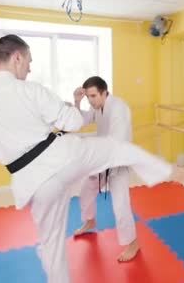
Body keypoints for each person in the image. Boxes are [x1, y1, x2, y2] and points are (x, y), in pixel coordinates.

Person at [0, 34, 184, 283]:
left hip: (30, 181)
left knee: (51, 246)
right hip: (62, 157)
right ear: (18, 57)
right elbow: (76, 121)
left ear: (105, 93)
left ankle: (160, 181)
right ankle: (163, 171)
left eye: (93, 97)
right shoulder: (30, 90)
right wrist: (71, 106)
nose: (30, 67)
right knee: (114, 151)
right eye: (29, 61)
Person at [72, 76, 139, 262]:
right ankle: (90, 220)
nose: (91, 100)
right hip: (102, 159)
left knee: (120, 204)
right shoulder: (98, 107)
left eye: (93, 96)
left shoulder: (119, 108)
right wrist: (77, 102)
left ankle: (132, 243)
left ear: (104, 92)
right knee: (86, 190)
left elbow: (118, 140)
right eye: (88, 97)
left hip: (118, 161)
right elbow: (81, 121)